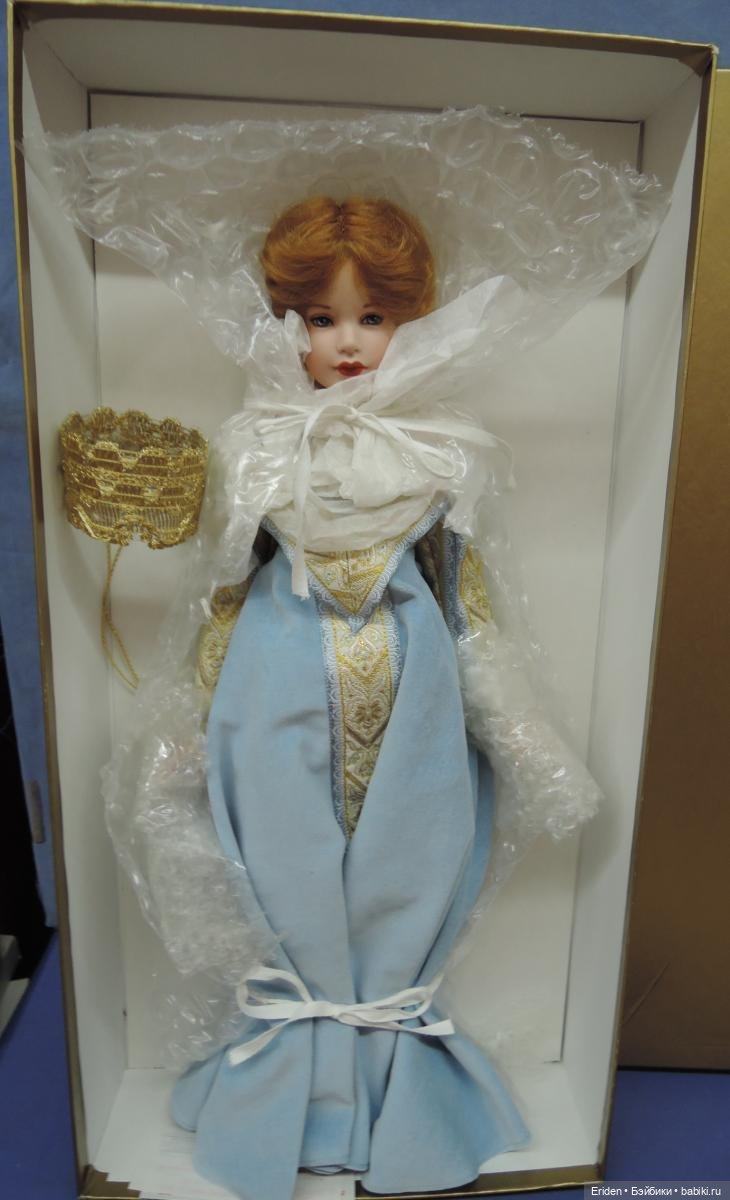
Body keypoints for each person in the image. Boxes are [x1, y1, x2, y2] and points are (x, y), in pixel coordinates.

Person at [172, 196, 535, 1200]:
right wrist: (188, 714)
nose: (345, 342)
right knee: (281, 857)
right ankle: (301, 1068)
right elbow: (222, 588)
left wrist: (512, 719)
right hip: (273, 676)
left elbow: (467, 595)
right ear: (281, 325)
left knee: (409, 853)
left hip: (414, 682)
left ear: (410, 323)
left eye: (372, 318)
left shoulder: (443, 447)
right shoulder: (255, 443)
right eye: (321, 318)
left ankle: (387, 1064)